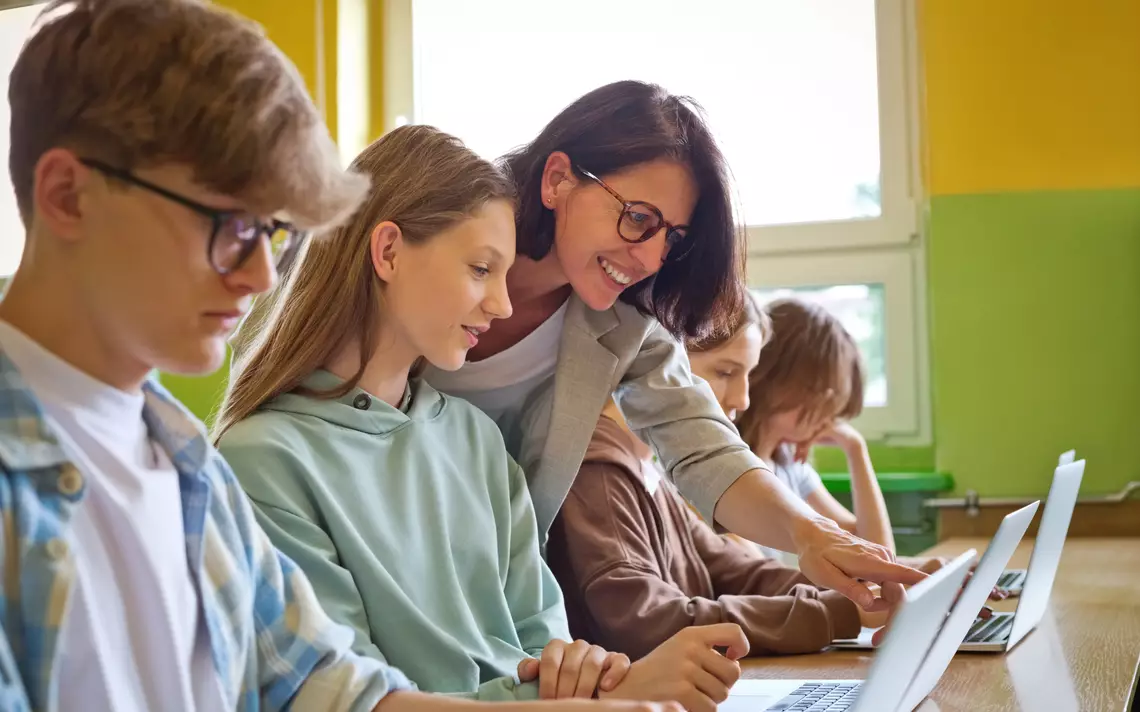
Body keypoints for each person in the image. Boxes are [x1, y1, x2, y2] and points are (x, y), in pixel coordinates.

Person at [0, 3, 676, 712]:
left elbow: (328, 687)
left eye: (272, 232)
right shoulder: (237, 459)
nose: (263, 275)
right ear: (68, 196)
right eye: (228, 224)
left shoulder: (184, 464)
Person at [215, 126, 748, 710]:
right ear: (388, 251)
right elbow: (345, 696)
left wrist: (595, 677)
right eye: (479, 269)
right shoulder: (263, 459)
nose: (503, 304)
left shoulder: (477, 440)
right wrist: (602, 698)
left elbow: (543, 653)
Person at [415, 81, 923, 611]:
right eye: (638, 218)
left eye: (672, 238)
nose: (652, 258)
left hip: (489, 595)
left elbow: (706, 448)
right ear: (558, 179)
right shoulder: (429, 253)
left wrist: (810, 534)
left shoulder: (622, 323)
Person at [545, 297, 888, 660]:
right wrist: (840, 612)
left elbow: (741, 572)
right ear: (657, 361)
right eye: (725, 373)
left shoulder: (652, 471)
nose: (743, 398)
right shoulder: (598, 466)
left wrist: (867, 591)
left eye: (747, 376)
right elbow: (645, 621)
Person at [734, 299, 942, 571]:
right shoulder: (731, 472)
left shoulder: (790, 468)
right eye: (827, 399)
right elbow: (764, 582)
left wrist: (855, 449)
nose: (830, 418)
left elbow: (873, 552)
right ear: (783, 381)